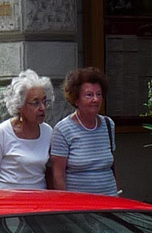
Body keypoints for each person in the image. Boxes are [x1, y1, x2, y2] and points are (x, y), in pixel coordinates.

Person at [49, 67, 118, 196]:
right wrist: (65, 204)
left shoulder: (108, 124)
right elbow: (58, 175)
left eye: (99, 94)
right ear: (76, 99)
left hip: (110, 200)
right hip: (80, 206)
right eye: (89, 95)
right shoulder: (63, 129)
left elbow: (112, 165)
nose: (95, 99)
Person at [0, 70, 54, 190]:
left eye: (44, 102)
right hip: (7, 200)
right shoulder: (0, 133)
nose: (42, 108)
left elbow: (49, 173)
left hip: (39, 200)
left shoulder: (48, 132)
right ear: (19, 105)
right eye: (35, 103)